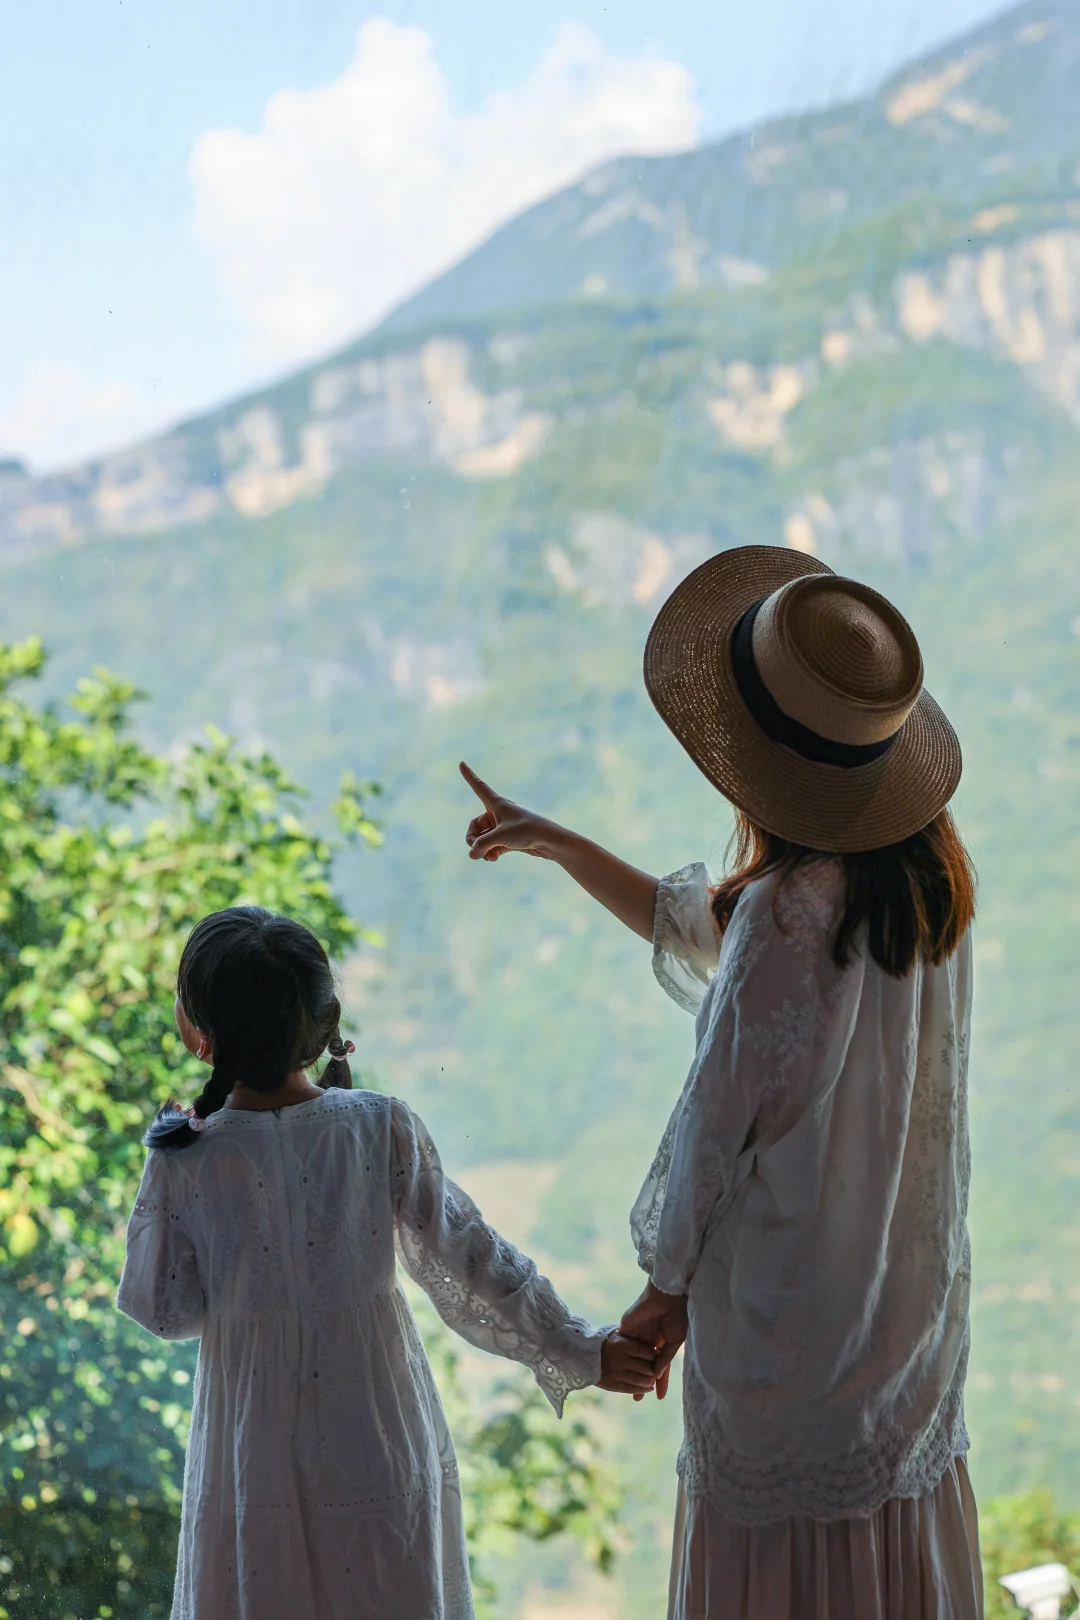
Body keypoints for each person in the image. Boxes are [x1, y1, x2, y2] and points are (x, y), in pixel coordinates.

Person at [461, 543, 982, 1620]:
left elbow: (716, 1126)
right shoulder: (923, 888)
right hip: (899, 1321)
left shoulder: (793, 910)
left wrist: (664, 1296)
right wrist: (559, 841)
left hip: (788, 1334)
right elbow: (712, 928)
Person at [117, 906, 656, 1620]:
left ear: (196, 1032)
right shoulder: (378, 1125)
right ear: (326, 1018)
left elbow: (165, 1312)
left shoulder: (186, 1158)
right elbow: (472, 1258)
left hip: (253, 1452)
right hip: (377, 1428)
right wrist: (582, 1348)